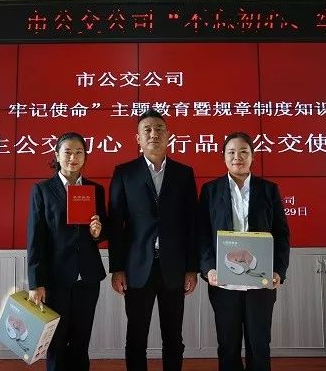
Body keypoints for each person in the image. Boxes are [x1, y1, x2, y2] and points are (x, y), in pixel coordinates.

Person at [108, 109, 199, 371]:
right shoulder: (124, 173)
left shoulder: (183, 173)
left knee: (174, 337)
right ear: (137, 138)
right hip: (137, 268)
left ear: (168, 135)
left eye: (159, 129)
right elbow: (115, 224)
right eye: (146, 129)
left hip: (174, 267)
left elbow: (192, 224)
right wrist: (117, 268)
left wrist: (192, 268)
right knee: (136, 337)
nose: (153, 134)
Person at [198, 132, 290, 371]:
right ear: (223, 157)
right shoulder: (210, 190)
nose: (237, 157)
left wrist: (278, 270)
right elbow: (202, 234)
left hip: (260, 280)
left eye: (243, 152)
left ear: (252, 156)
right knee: (228, 345)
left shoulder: (268, 190)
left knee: (259, 344)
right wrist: (208, 268)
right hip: (224, 282)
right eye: (231, 152)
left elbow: (281, 235)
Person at [27, 132, 107, 371]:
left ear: (85, 156)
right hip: (56, 279)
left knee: (81, 342)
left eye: (79, 152)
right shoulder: (42, 190)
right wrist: (36, 283)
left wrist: (98, 232)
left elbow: (102, 230)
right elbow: (35, 239)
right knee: (56, 343)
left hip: (88, 278)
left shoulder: (95, 189)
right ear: (57, 155)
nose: (73, 157)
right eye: (68, 152)